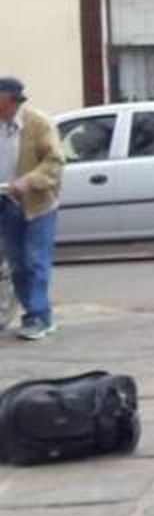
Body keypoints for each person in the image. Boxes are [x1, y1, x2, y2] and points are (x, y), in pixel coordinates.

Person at [0, 77, 63, 341]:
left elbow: (55, 161)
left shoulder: (38, 123)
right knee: (17, 264)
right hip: (5, 201)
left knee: (36, 260)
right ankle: (34, 314)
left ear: (14, 102)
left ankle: (38, 317)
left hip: (38, 204)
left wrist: (28, 181)